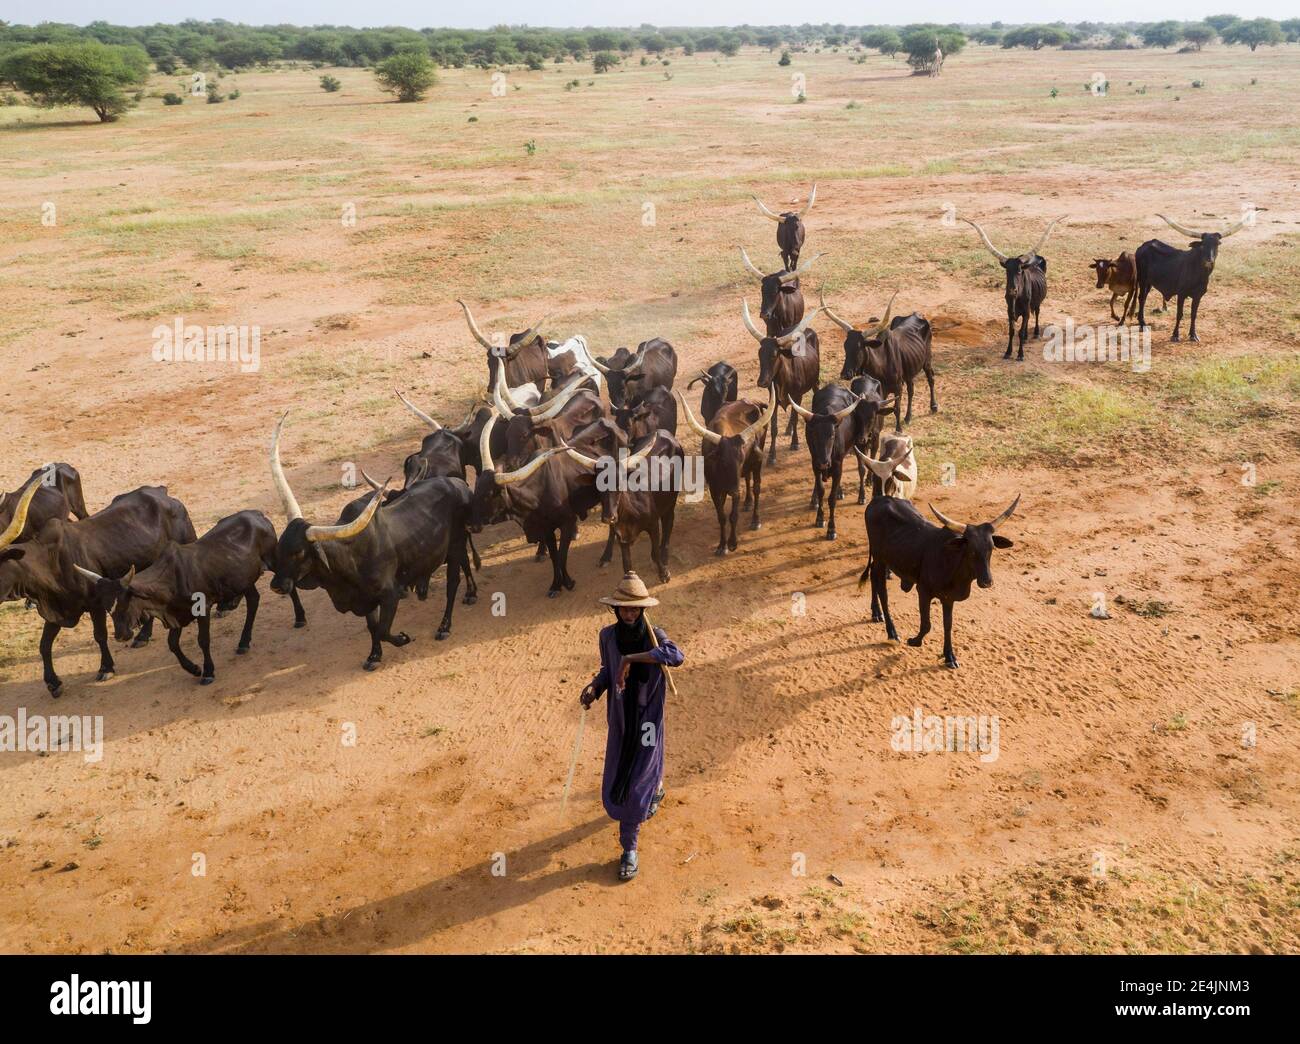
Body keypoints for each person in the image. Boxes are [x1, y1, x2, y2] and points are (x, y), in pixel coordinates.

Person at [580, 572, 684, 881]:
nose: (630, 614)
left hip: (648, 718)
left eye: (635, 609)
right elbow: (606, 669)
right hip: (621, 719)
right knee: (622, 775)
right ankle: (655, 789)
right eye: (625, 608)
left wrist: (631, 660)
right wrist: (595, 689)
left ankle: (629, 849)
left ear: (643, 610)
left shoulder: (655, 635)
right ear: (616, 609)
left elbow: (675, 655)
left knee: (639, 782)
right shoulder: (607, 637)